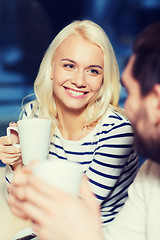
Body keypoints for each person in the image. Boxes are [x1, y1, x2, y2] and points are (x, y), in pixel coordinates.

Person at [0, 20, 138, 227]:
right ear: (51, 69)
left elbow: (75, 211)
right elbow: (18, 199)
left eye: (93, 71)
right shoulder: (33, 113)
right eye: (69, 66)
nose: (79, 81)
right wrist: (16, 163)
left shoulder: (118, 131)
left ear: (103, 79)